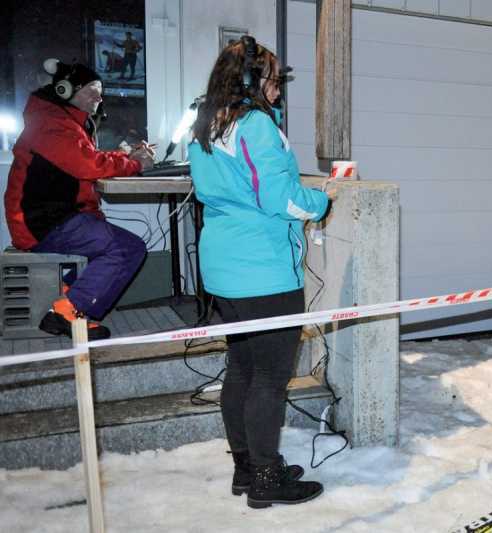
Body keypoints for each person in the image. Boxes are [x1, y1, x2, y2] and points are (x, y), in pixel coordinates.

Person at [188, 36, 334, 509]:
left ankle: (246, 465)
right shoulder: (256, 125)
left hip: (224, 266)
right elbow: (281, 199)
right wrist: (322, 199)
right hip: (262, 271)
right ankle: (267, 477)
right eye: (273, 79)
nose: (278, 89)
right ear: (253, 80)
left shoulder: (206, 124)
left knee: (243, 368)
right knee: (270, 377)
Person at [4, 59, 154, 340]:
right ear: (65, 90)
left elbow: (86, 158)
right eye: (93, 90)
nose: (100, 96)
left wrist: (128, 157)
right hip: (41, 222)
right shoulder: (51, 123)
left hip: (53, 217)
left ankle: (76, 308)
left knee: (119, 244)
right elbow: (87, 165)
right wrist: (134, 164)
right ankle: (67, 311)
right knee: (126, 249)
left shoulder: (63, 122)